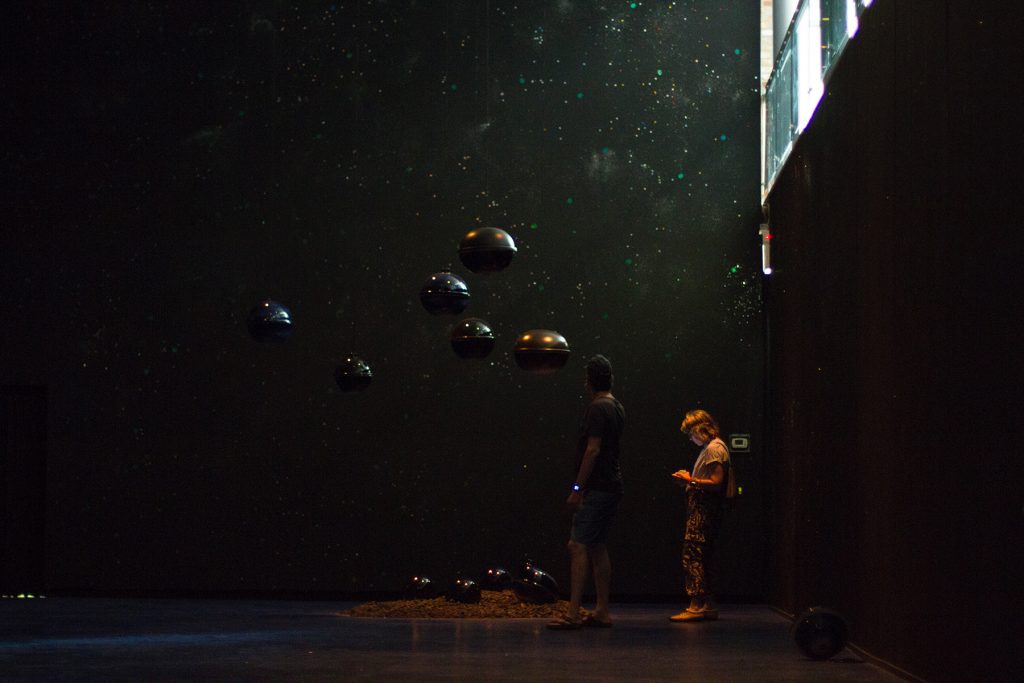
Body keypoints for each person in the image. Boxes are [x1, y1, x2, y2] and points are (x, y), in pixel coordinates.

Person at [547, 354, 625, 630]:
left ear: (589, 381)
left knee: (578, 545)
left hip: (597, 488)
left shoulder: (596, 408)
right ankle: (602, 610)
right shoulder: (617, 407)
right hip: (612, 486)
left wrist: (577, 488)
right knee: (597, 545)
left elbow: (593, 449)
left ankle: (573, 614)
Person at [669, 409, 731, 622]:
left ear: (699, 429)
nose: (690, 438)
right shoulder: (714, 448)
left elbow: (716, 482)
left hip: (703, 511)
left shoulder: (713, 449)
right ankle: (707, 604)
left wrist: (690, 480)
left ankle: (696, 605)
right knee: (702, 557)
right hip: (704, 509)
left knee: (693, 555)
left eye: (690, 433)